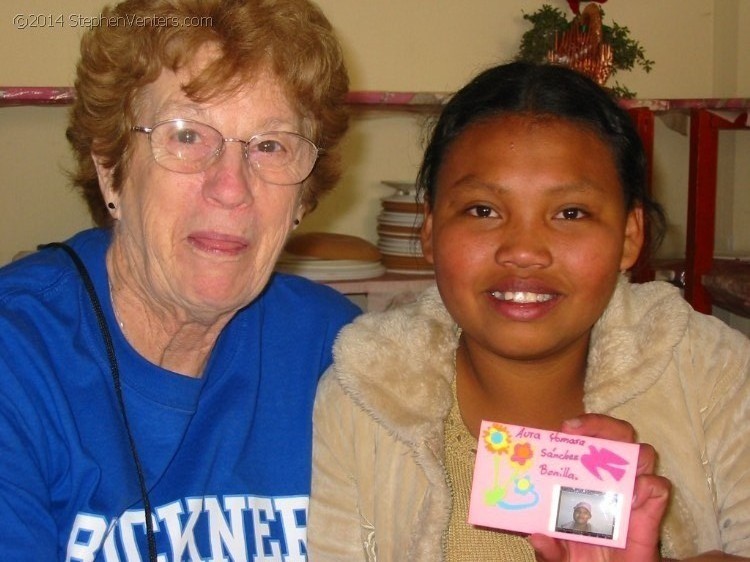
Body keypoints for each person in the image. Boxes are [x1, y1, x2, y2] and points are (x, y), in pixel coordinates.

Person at [308, 61, 750, 561]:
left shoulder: (712, 371)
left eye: (570, 213)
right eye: (483, 210)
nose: (523, 251)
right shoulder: (363, 394)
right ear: (429, 231)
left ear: (629, 236)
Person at [0, 0, 359, 559]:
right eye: (187, 136)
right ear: (110, 164)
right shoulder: (16, 358)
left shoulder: (336, 352)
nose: (231, 187)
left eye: (270, 146)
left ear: (303, 195)